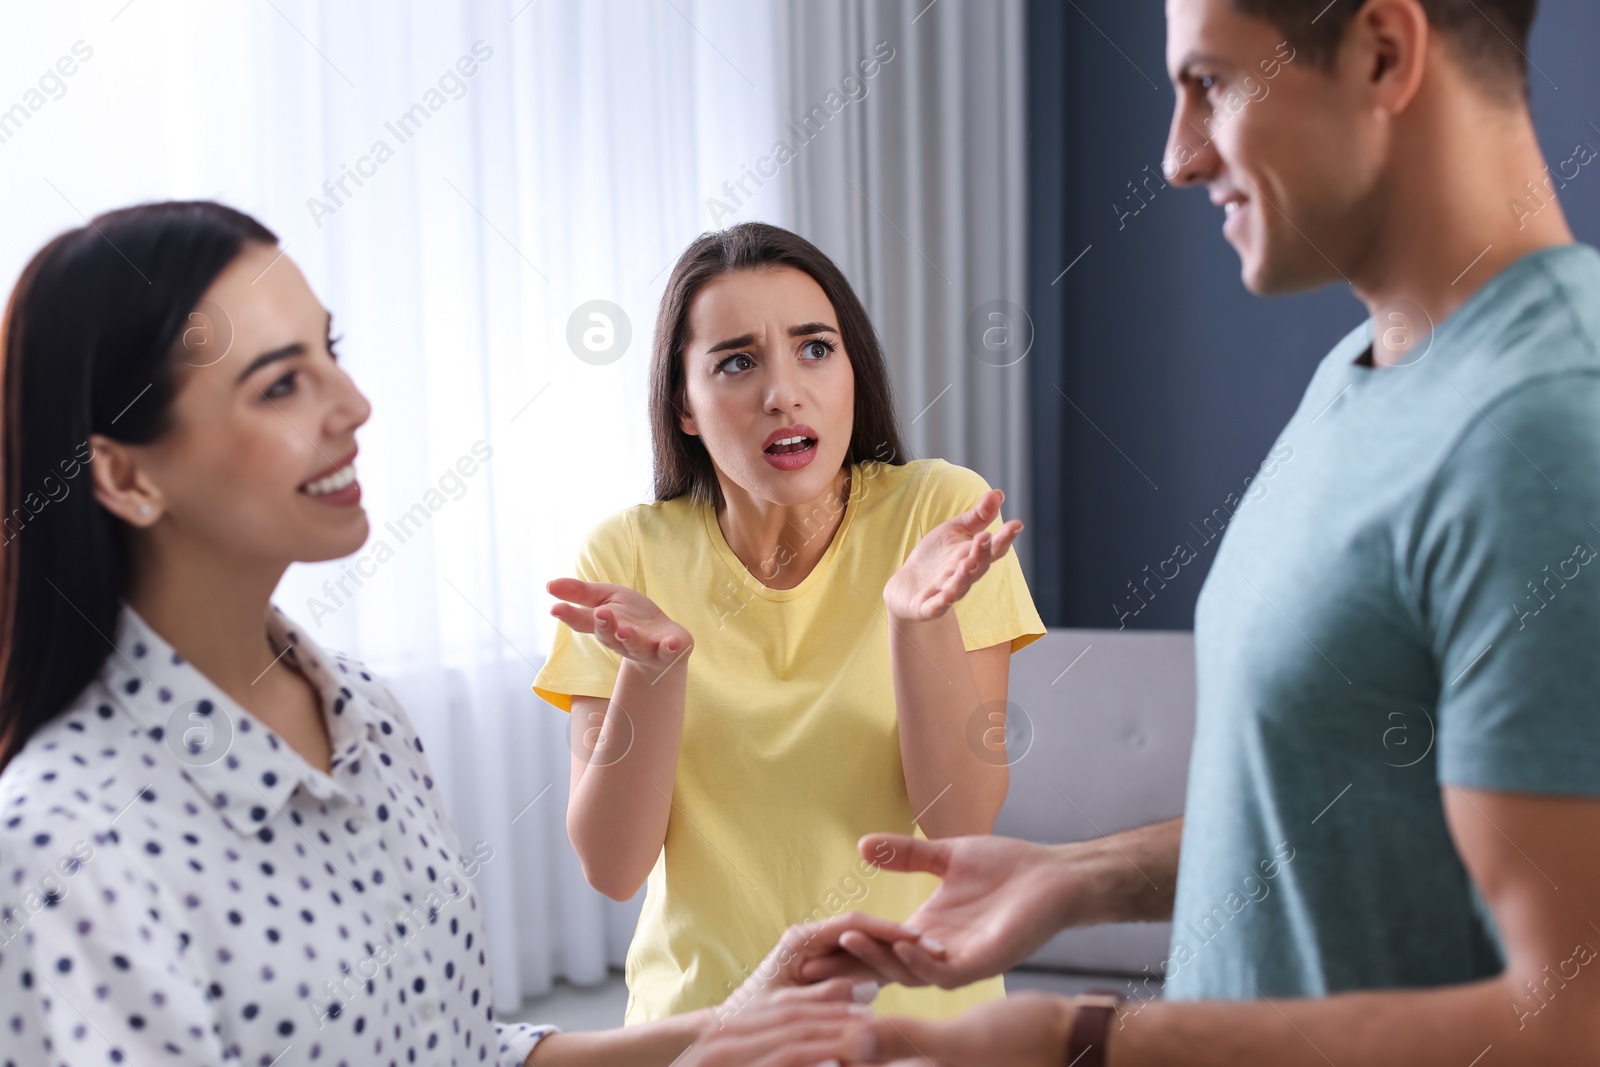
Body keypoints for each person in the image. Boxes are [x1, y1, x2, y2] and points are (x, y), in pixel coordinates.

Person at [804, 0, 1600, 1063]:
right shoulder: (1363, 371)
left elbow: (1570, 1016)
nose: (1177, 158)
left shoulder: (1547, 425)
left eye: (1210, 84)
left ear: (1381, 51)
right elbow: (1345, 803)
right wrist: (1072, 877)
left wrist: (1080, 1041)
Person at [0, 200, 882, 1067]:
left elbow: (447, 1047)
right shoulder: (59, 846)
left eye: (330, 352)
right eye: (279, 383)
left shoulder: (364, 715)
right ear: (123, 474)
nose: (353, 404)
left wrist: (727, 1030)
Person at [533, 222, 1045, 1023]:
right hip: (706, 1030)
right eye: (736, 362)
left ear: (851, 369)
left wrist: (916, 625)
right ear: (685, 406)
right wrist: (653, 669)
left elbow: (961, 818)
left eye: (815, 348)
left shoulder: (938, 514)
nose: (783, 391)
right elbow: (613, 865)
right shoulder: (625, 553)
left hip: (919, 1030)